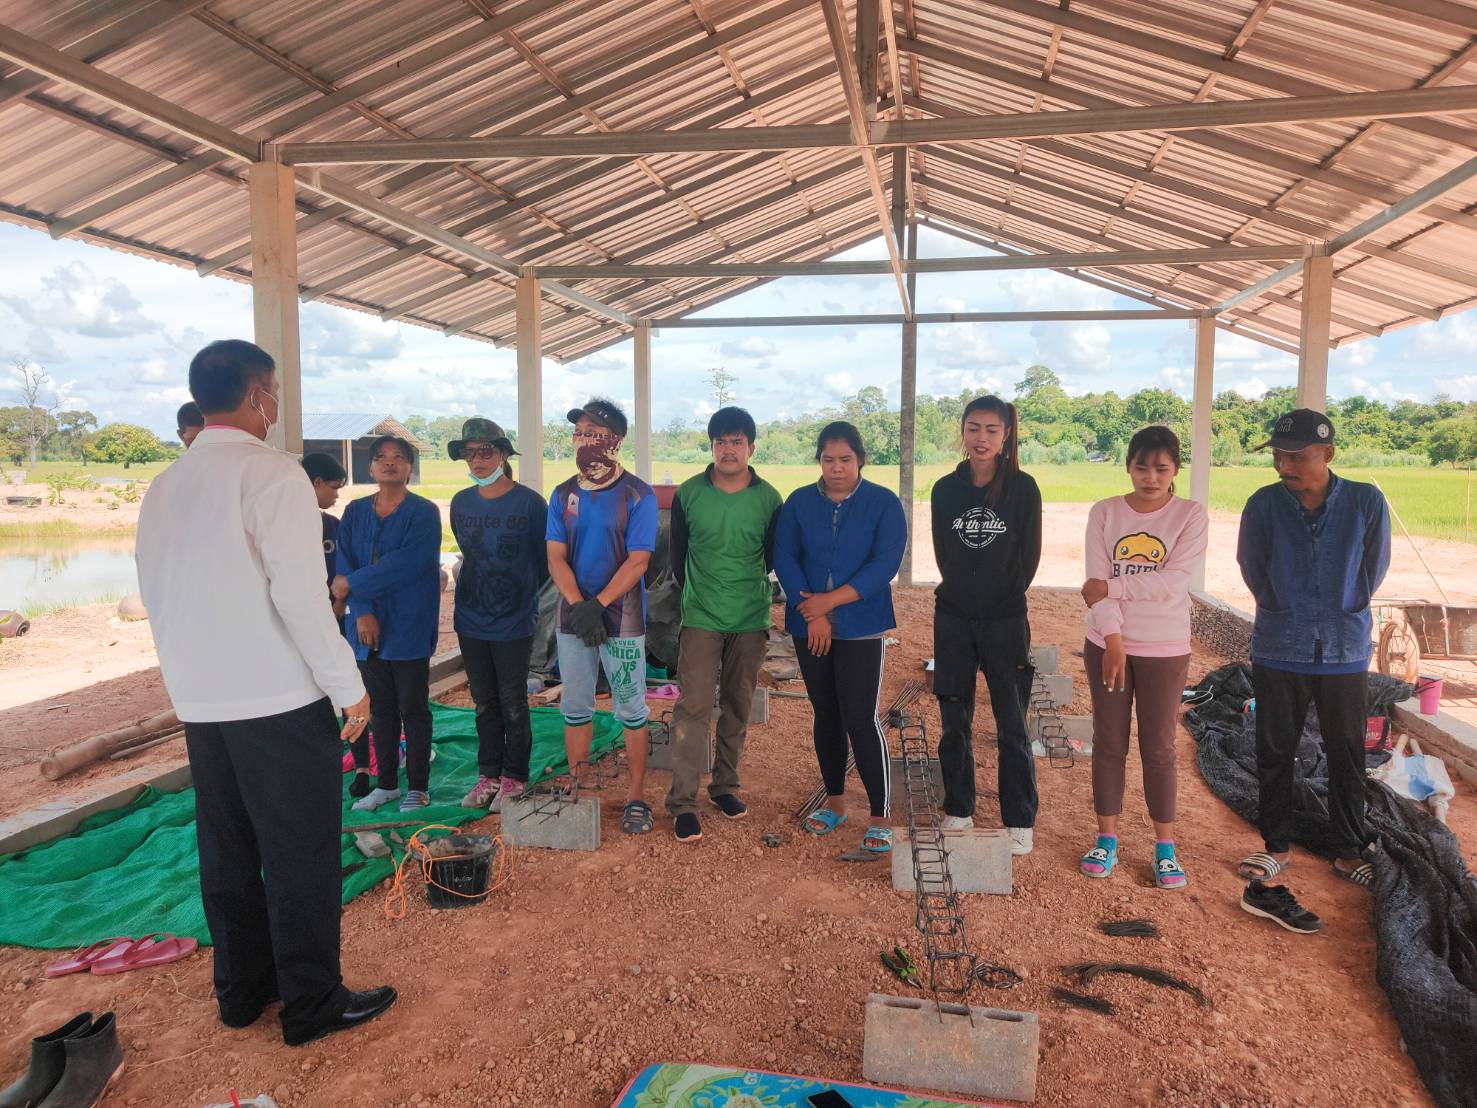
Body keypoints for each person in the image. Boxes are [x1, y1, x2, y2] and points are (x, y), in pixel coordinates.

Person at [136, 339, 393, 1046]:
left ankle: (241, 993)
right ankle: (312, 1003)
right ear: (256, 396)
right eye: (273, 391)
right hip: (276, 703)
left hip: (204, 704)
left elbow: (157, 593)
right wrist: (350, 689)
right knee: (300, 856)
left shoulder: (166, 484)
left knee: (226, 851)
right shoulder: (271, 475)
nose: (275, 404)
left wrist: (188, 683)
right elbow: (302, 599)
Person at [1235, 408, 1390, 934]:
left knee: (1347, 749)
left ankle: (1347, 849)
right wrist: (1283, 605)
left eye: (1296, 456)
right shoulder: (1263, 505)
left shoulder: (1366, 502)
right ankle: (1275, 846)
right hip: (1281, 644)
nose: (1284, 465)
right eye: (1279, 455)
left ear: (1327, 453)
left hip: (1344, 648)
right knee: (1274, 748)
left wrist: (1342, 607)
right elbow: (1252, 567)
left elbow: (1373, 568)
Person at [1079, 426, 1208, 889]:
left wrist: (1113, 586)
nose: (1149, 477)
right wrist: (1112, 637)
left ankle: (1165, 847)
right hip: (1106, 644)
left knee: (1159, 747)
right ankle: (1106, 838)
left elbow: (1172, 582)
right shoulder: (1105, 513)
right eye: (1140, 467)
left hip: (1164, 648)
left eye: (1160, 468)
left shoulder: (1189, 516)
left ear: (1175, 469)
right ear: (1127, 465)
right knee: (1109, 741)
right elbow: (1094, 577)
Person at [773, 421, 906, 857]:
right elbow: (785, 557)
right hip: (808, 622)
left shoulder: (883, 503)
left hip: (860, 623)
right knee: (825, 713)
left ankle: (881, 816)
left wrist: (827, 604)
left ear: (860, 459)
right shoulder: (798, 503)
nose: (836, 468)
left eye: (845, 459)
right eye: (828, 459)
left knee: (860, 717)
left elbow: (884, 564)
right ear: (819, 460)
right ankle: (834, 804)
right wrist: (810, 610)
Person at [664, 406, 782, 843]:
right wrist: (702, 594)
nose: (728, 449)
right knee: (692, 707)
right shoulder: (689, 494)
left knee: (737, 704)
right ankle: (683, 802)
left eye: (737, 441)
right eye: (720, 441)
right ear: (711, 446)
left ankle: (725, 786)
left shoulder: (769, 498)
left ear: (751, 447)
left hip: (750, 617)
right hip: (701, 618)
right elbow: (678, 557)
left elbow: (771, 557)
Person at [929, 395, 1042, 854]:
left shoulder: (1023, 488)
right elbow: (943, 551)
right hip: (953, 618)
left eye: (991, 430)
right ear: (963, 431)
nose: (981, 438)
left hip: (1005, 620)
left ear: (1007, 434)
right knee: (954, 718)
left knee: (1011, 722)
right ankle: (959, 806)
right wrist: (965, 593)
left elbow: (1028, 559)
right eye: (973, 428)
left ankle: (1019, 817)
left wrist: (999, 598)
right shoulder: (945, 489)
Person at [546, 399, 659, 835]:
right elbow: (555, 557)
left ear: (614, 440)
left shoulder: (637, 495)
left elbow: (638, 561)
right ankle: (579, 783)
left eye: (594, 431)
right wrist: (580, 606)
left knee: (630, 704)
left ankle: (635, 794)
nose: (584, 438)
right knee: (576, 703)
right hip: (573, 616)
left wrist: (600, 604)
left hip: (623, 618)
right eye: (580, 430)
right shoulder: (562, 495)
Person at [335, 435, 443, 813]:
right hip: (365, 628)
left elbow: (408, 564)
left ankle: (417, 786)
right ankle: (385, 785)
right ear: (370, 467)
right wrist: (361, 608)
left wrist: (351, 585)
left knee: (413, 707)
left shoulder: (424, 513)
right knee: (379, 708)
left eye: (399, 458)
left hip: (409, 622)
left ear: (410, 467)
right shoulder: (355, 512)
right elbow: (345, 564)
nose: (390, 463)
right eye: (381, 457)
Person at [447, 417, 548, 812]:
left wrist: (518, 597)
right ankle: (487, 774)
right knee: (483, 700)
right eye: (470, 454)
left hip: (513, 620)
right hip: (470, 618)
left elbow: (541, 564)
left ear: (503, 454)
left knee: (512, 700)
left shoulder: (528, 503)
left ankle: (514, 777)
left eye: (485, 452)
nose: (477, 460)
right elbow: (468, 553)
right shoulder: (461, 502)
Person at [302, 452, 368, 795]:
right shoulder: (285, 527)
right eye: (333, 487)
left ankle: (361, 766)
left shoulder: (332, 526)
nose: (336, 495)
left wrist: (339, 604)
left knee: (347, 689)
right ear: (314, 484)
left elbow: (348, 568)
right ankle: (318, 762)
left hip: (336, 620)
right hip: (299, 628)